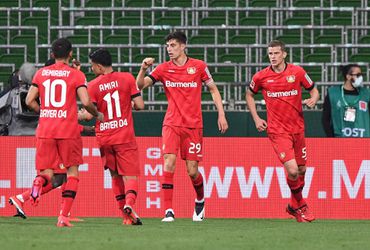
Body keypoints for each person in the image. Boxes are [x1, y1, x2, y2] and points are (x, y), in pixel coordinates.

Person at [136, 31, 228, 222]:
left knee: (192, 170)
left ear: (183, 46)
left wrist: (221, 113)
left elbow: (213, 89)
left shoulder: (199, 66)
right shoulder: (162, 69)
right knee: (169, 162)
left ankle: (200, 200)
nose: (170, 49)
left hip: (193, 125)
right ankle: (168, 211)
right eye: (168, 46)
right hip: (171, 123)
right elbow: (140, 86)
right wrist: (143, 69)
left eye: (173, 45)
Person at [25, 38, 103, 227]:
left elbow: (29, 101)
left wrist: (44, 111)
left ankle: (38, 182)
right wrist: (97, 114)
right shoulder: (76, 76)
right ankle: (63, 216)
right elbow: (85, 102)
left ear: (52, 54)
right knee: (72, 172)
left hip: (45, 129)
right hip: (68, 130)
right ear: (70, 54)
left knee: (48, 173)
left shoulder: (41, 73)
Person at [246, 40, 319, 223]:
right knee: (293, 170)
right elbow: (249, 94)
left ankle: (292, 206)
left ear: (284, 54)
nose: (273, 57)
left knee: (301, 169)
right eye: (270, 53)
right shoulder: (261, 77)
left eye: (276, 53)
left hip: (298, 129)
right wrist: (256, 118)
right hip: (277, 131)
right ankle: (301, 205)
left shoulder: (297, 72)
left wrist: (313, 99)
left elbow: (314, 90)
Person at [78, 48, 144, 225]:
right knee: (130, 176)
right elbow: (140, 105)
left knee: (115, 176)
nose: (92, 69)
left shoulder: (92, 86)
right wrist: (128, 104)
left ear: (99, 66)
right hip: (124, 135)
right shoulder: (127, 78)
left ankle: (125, 217)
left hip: (105, 138)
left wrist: (75, 114)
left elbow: (89, 115)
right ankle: (129, 205)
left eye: (92, 66)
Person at [322, 64, 370, 137]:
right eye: (358, 75)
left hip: (364, 140)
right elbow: (325, 119)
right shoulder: (333, 94)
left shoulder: (366, 94)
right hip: (341, 140)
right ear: (348, 76)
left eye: (361, 75)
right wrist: (331, 138)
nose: (361, 78)